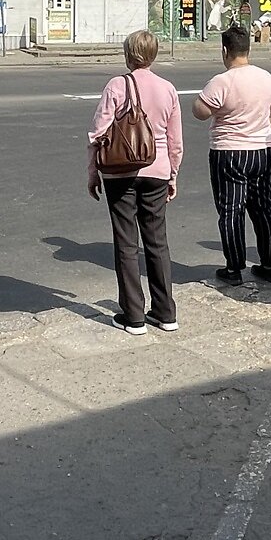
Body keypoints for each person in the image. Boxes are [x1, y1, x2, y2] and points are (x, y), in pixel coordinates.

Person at [87, 30, 184, 335]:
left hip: (120, 173)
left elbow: (98, 134)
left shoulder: (117, 85)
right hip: (156, 171)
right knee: (157, 243)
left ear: (128, 54)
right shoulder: (168, 89)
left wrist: (93, 172)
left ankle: (134, 317)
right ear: (154, 55)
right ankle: (166, 313)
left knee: (126, 244)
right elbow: (175, 141)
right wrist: (172, 174)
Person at [192, 24, 271, 285]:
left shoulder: (222, 81)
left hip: (230, 152)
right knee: (264, 209)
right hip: (263, 150)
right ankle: (269, 265)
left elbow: (200, 112)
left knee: (232, 210)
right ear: (248, 49)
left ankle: (234, 268)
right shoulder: (269, 79)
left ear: (224, 50)